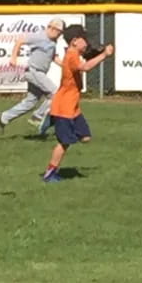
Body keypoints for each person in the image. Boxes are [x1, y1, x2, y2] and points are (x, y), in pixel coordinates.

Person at [41, 25, 114, 183]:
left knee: (86, 137)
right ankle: (49, 173)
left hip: (72, 107)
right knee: (64, 142)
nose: (86, 42)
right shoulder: (72, 55)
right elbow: (85, 67)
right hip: (64, 107)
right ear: (74, 41)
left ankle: (50, 121)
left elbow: (85, 60)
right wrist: (104, 55)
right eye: (84, 39)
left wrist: (96, 52)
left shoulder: (74, 53)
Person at [0, 18, 65, 134]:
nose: (60, 35)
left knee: (30, 102)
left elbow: (53, 57)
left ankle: (3, 117)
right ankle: (37, 116)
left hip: (39, 73)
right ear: (52, 28)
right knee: (55, 93)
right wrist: (13, 58)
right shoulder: (39, 36)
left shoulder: (53, 42)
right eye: (59, 32)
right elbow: (20, 41)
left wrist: (66, 66)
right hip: (34, 71)